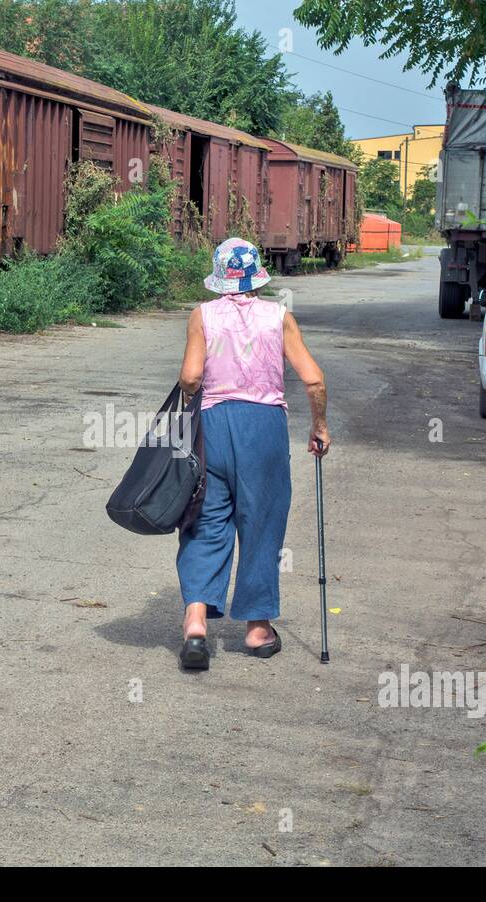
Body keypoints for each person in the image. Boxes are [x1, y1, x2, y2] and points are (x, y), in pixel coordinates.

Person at [175, 237, 329, 671]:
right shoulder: (279, 316)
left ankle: (196, 623)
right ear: (258, 276)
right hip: (264, 427)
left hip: (215, 426)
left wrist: (198, 390)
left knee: (205, 520)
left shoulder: (202, 316)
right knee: (260, 523)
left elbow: (190, 377)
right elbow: (314, 381)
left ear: (219, 278)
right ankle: (258, 628)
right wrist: (318, 426)